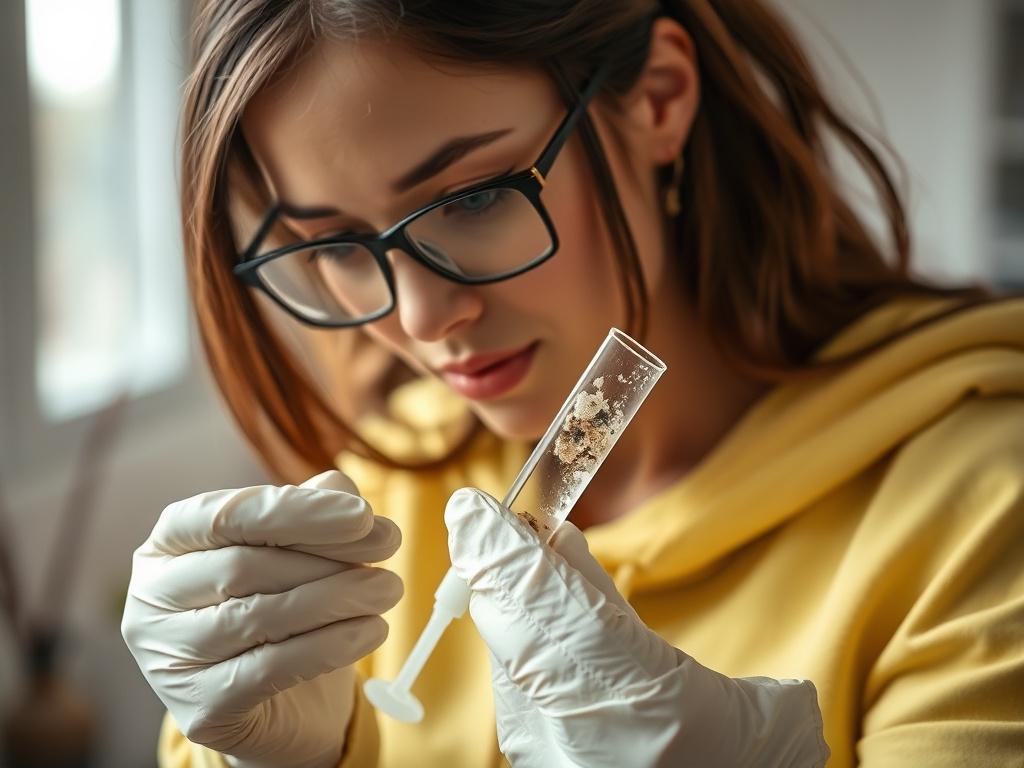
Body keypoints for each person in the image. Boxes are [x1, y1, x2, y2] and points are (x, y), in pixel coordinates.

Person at [120, 1, 1024, 766]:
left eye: (471, 198)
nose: (423, 321)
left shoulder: (985, 507)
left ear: (659, 101)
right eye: (338, 245)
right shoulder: (384, 495)